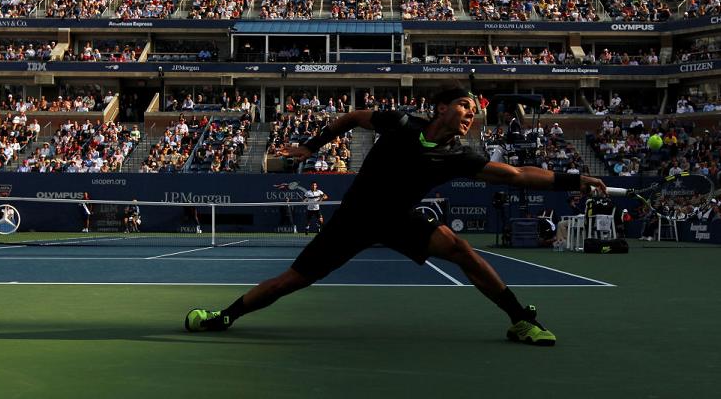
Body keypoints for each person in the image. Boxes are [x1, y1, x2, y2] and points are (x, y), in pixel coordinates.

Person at [185, 83, 606, 346]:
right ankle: (224, 316)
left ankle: (519, 320)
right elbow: (351, 116)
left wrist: (573, 179)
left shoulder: (458, 155)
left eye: (474, 111)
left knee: (461, 250)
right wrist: (311, 147)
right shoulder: (402, 122)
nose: (471, 115)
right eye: (464, 106)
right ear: (441, 107)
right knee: (292, 280)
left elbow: (515, 175)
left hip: (401, 219)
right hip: (355, 218)